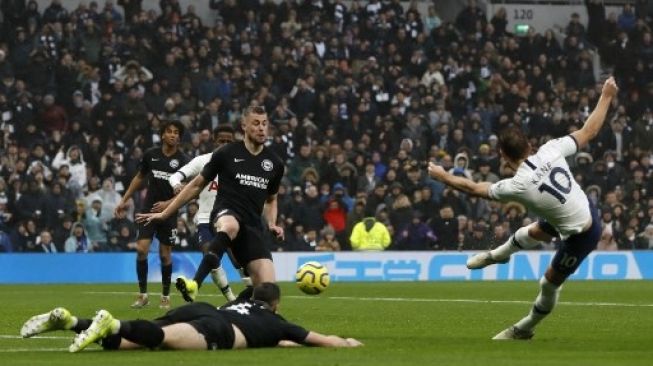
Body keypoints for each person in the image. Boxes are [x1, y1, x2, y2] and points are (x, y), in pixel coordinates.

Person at [427, 77, 618, 340]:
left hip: (583, 234)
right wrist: (606, 95)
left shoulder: (516, 185)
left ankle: (524, 328)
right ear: (529, 144)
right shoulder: (551, 149)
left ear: (503, 156)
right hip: (580, 209)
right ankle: (498, 255)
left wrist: (443, 175)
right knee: (530, 231)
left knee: (548, 283)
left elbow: (473, 188)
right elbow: (589, 131)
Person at [136, 105, 285, 302]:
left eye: (265, 124)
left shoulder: (274, 163)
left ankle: (232, 312)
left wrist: (272, 223)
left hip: (252, 227)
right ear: (244, 126)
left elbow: (271, 199)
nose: (261, 128)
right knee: (231, 225)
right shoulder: (226, 153)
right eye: (256, 123)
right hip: (225, 215)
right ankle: (195, 284)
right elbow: (196, 185)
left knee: (269, 294)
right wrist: (166, 213)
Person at [20, 282, 363, 352]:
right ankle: (111, 323)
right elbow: (316, 340)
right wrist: (346, 342)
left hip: (206, 310)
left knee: (133, 342)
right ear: (276, 305)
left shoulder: (245, 306)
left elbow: (284, 342)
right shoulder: (277, 322)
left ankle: (70, 322)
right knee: (163, 340)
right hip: (218, 329)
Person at [114, 120, 189, 309]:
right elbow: (139, 177)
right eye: (169, 131)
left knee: (165, 256)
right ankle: (142, 295)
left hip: (169, 213)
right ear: (162, 135)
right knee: (141, 250)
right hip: (148, 210)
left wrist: (167, 204)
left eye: (176, 132)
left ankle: (165, 296)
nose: (173, 135)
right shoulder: (151, 155)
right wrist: (124, 200)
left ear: (179, 137)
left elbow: (187, 191)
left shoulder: (184, 161)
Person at [166, 125, 242, 302]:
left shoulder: (240, 165)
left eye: (228, 141)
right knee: (211, 257)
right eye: (221, 141)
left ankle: (253, 293)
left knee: (239, 262)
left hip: (230, 219)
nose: (224, 144)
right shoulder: (203, 161)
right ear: (214, 141)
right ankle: (231, 299)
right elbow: (175, 176)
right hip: (206, 220)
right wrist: (176, 185)